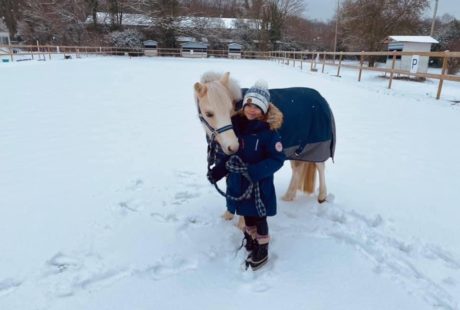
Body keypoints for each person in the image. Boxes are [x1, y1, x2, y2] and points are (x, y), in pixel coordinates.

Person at [208, 80, 285, 270]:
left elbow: (278, 159)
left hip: (258, 186)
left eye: (257, 106)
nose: (251, 110)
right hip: (239, 184)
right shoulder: (237, 127)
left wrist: (254, 171)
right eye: (248, 104)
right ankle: (250, 240)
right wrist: (218, 171)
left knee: (259, 218)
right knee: (246, 216)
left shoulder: (269, 132)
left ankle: (262, 247)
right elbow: (233, 158)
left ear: (265, 109)